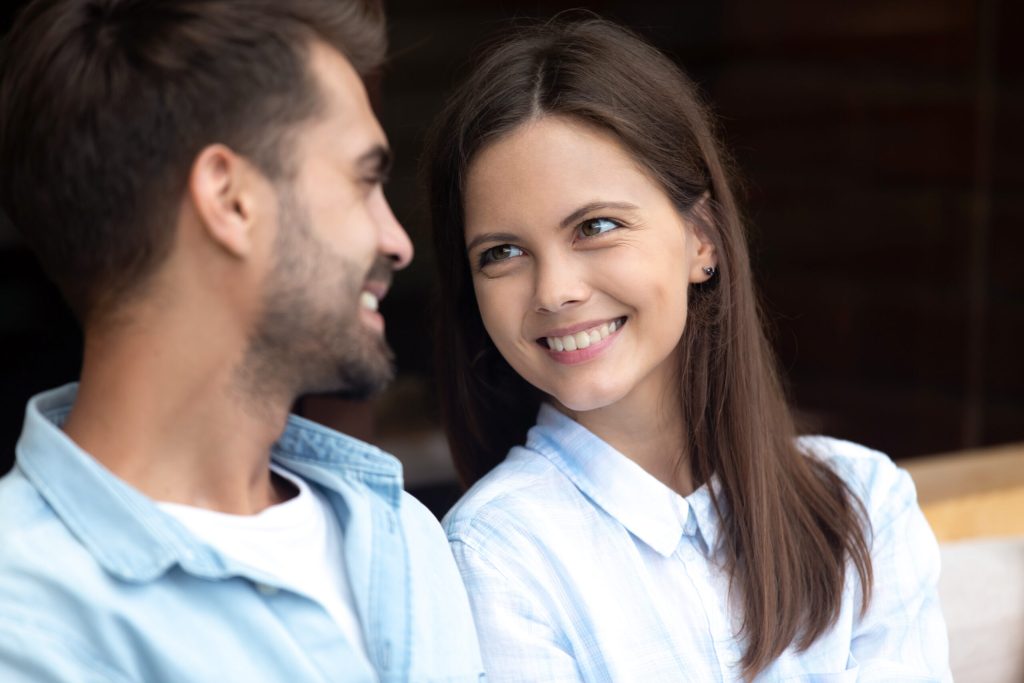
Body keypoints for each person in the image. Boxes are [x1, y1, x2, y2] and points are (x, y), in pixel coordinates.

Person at [427, 17, 951, 682]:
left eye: (596, 226)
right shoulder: (496, 555)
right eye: (502, 252)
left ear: (701, 237)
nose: (555, 290)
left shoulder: (862, 504)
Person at [0, 1, 483, 681]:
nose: (398, 242)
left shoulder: (403, 535)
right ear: (229, 200)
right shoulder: (27, 619)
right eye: (364, 179)